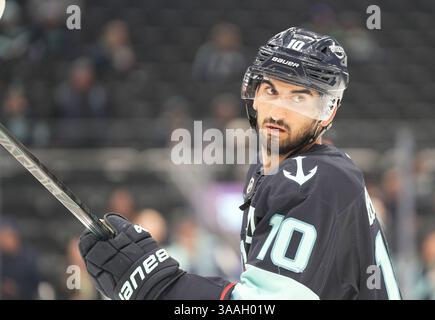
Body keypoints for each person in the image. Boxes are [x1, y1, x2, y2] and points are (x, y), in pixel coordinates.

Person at [78, 27, 401, 300]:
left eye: (299, 98)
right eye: (270, 90)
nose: (277, 110)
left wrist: (160, 287)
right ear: (253, 93)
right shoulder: (271, 170)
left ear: (327, 112)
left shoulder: (319, 179)